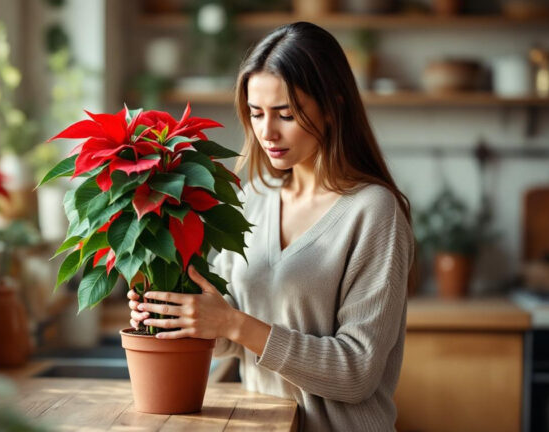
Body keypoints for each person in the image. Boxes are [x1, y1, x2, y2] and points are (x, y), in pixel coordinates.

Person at [127, 21, 415, 432]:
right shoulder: (253, 198)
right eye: (256, 113)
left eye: (285, 114)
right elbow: (229, 336)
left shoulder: (374, 212)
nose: (266, 132)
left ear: (332, 107)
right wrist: (179, 316)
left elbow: (357, 372)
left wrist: (233, 324)